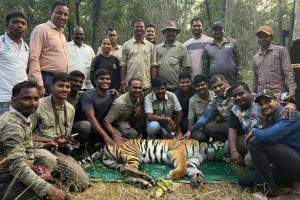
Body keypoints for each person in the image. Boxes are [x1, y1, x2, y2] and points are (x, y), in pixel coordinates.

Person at [0, 81, 70, 200]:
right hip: (5, 180)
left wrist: (42, 146)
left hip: (13, 174)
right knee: (47, 195)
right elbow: (17, 166)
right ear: (13, 100)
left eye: (36, 99)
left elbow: (22, 145)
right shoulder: (13, 126)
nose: (33, 103)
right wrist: (49, 190)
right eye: (27, 99)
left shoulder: (21, 117)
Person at [31, 73, 89, 191]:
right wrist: (48, 141)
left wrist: (65, 142)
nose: (64, 89)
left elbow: (66, 135)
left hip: (57, 150)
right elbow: (27, 134)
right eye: (60, 86)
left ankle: (53, 179)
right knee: (49, 160)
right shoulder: (39, 105)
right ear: (52, 87)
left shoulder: (70, 109)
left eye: (67, 87)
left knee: (82, 183)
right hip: (38, 148)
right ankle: (43, 183)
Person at [241, 90, 300, 198]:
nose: (264, 106)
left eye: (267, 101)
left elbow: (267, 136)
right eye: (261, 104)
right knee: (244, 180)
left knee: (256, 142)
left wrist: (254, 131)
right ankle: (290, 182)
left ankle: (270, 190)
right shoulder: (269, 116)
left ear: (277, 101)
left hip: (295, 160)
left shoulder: (289, 113)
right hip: (282, 162)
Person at [29, 0, 70, 97]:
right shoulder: (41, 29)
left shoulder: (62, 35)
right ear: (51, 13)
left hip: (60, 79)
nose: (62, 17)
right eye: (59, 13)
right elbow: (33, 57)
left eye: (65, 14)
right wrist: (39, 83)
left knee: (56, 110)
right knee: (46, 110)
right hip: (46, 78)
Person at [252, 26, 297, 101]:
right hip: (261, 97)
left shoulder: (280, 51)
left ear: (271, 37)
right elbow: (254, 79)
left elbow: (288, 72)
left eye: (266, 36)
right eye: (260, 36)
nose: (263, 38)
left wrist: (292, 91)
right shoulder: (255, 57)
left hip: (278, 95)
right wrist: (253, 94)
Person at [185, 74, 234, 142]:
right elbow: (206, 116)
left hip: (243, 126)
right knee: (208, 128)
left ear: (226, 82)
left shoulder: (235, 92)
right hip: (229, 125)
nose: (218, 89)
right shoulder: (216, 98)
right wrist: (190, 131)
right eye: (214, 87)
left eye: (220, 85)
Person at [77, 69, 116, 147]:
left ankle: (98, 142)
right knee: (85, 126)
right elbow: (91, 118)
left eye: (108, 79)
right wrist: (106, 136)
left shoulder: (112, 94)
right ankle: (84, 145)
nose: (105, 81)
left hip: (101, 124)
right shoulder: (87, 95)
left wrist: (138, 104)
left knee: (118, 131)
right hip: (87, 125)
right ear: (95, 81)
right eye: (102, 78)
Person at [0, 11, 29, 115]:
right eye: (15, 22)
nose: (19, 25)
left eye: (23, 23)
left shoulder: (26, 47)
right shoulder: (1, 42)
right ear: (7, 24)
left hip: (22, 98)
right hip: (3, 99)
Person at [120, 19, 157, 92]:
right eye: (137, 27)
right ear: (133, 28)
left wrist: (154, 83)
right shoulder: (126, 45)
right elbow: (123, 65)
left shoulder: (150, 46)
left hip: (146, 84)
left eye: (141, 27)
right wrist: (123, 82)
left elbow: (153, 66)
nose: (139, 28)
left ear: (144, 29)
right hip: (130, 85)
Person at [202, 21, 242, 85]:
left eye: (220, 29)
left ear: (224, 30)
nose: (217, 32)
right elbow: (205, 68)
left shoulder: (232, 43)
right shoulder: (208, 47)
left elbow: (239, 62)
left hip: (232, 82)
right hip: (215, 84)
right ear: (212, 32)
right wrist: (206, 83)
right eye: (215, 30)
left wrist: (239, 80)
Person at [156, 21, 192, 92]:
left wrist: (183, 84)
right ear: (164, 33)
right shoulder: (157, 48)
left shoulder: (182, 47)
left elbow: (186, 68)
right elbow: (154, 67)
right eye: (168, 31)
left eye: (173, 31)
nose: (170, 33)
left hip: (176, 88)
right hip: (160, 87)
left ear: (176, 33)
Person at [184, 75, 214, 140]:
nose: (200, 87)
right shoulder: (192, 100)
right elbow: (191, 119)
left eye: (202, 85)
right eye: (198, 86)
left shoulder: (214, 96)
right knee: (199, 137)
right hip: (200, 129)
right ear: (195, 87)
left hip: (214, 127)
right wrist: (189, 133)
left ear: (207, 84)